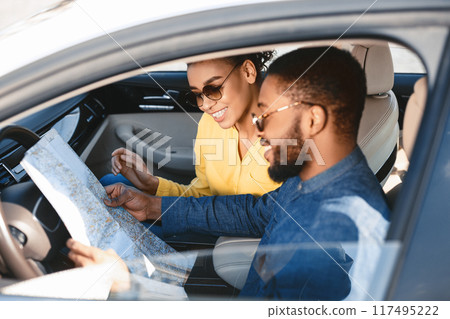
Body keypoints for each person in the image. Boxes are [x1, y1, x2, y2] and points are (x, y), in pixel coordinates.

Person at [68, 46, 390, 300]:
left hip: (234, 247)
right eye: (197, 94)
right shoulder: (305, 188)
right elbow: (255, 210)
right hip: (224, 225)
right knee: (112, 185)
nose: (258, 129)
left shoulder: (316, 236)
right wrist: (153, 194)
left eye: (270, 114)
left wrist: (132, 289)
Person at [100, 52, 281, 198]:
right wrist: (151, 185)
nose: (205, 105)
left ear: (248, 72)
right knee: (109, 182)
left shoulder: (289, 130)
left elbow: (269, 214)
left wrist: (153, 209)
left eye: (214, 89)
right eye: (198, 95)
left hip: (252, 238)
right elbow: (203, 193)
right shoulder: (209, 123)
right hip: (211, 224)